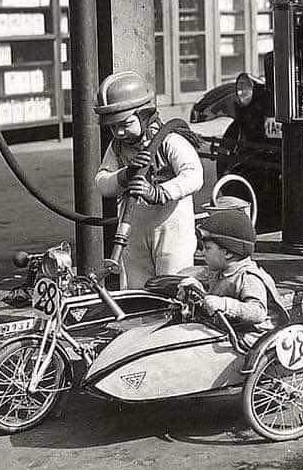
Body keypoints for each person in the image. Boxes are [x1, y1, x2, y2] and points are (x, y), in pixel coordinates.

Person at [94, 69, 204, 288]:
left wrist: (159, 192)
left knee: (174, 284)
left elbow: (194, 175)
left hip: (171, 227)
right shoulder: (117, 148)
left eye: (125, 125)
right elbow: (101, 181)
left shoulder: (169, 141)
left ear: (144, 115)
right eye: (113, 127)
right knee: (136, 287)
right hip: (133, 226)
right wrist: (124, 175)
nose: (119, 133)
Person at [177, 208, 286, 347]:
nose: (202, 252)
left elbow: (258, 312)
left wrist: (226, 305)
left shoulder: (248, 278)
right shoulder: (219, 269)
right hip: (231, 326)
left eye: (207, 248)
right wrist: (192, 285)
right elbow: (198, 277)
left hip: (254, 335)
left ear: (227, 253)